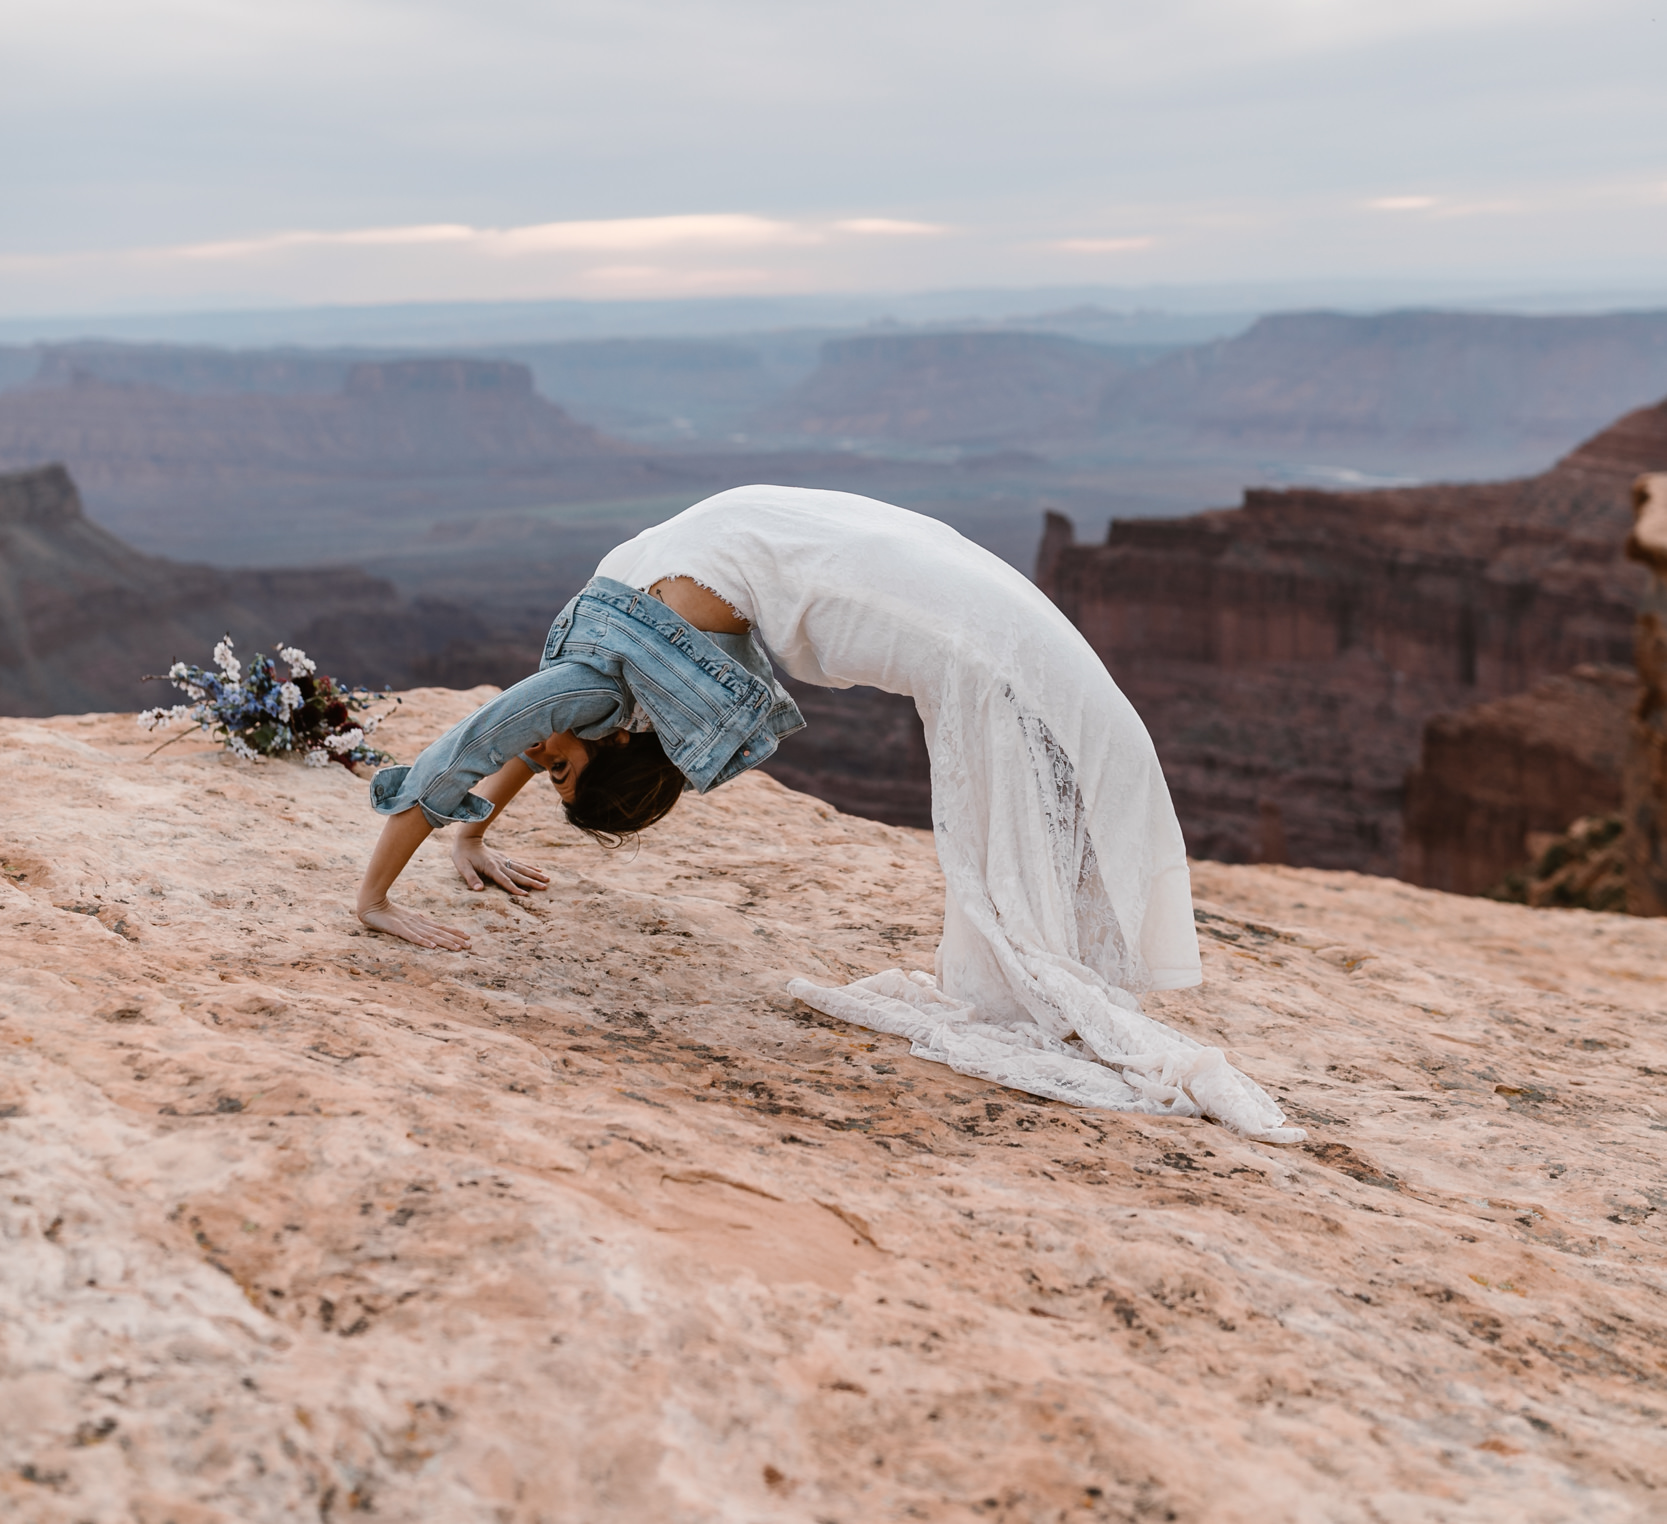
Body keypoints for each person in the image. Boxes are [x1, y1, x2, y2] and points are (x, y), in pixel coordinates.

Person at [355, 485, 1301, 1141]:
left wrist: (377, 898)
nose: (541, 768)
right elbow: (528, 737)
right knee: (1019, 708)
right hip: (856, 559)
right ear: (617, 745)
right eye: (559, 775)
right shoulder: (598, 694)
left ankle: (1051, 959)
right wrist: (477, 833)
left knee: (1015, 704)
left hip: (877, 582)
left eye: (555, 775)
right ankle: (1058, 947)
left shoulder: (587, 693)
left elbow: (465, 752)